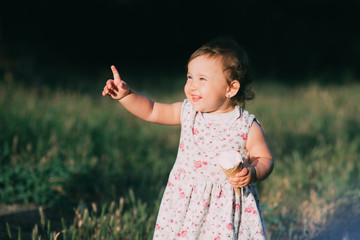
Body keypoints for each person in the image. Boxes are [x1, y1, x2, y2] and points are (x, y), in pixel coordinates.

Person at [102, 37, 274, 240]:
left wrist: (253, 173)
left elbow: (265, 159)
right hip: (185, 203)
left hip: (225, 210)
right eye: (189, 77)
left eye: (202, 79)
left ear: (231, 88)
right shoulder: (189, 112)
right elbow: (152, 110)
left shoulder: (245, 126)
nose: (192, 85)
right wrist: (126, 95)